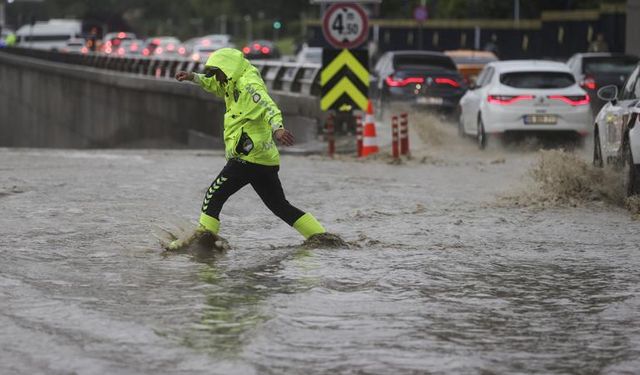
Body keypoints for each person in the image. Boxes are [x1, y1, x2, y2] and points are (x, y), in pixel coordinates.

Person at [174, 48, 326, 249]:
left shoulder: (248, 84)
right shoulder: (231, 81)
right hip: (263, 159)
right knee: (280, 206)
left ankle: (203, 240)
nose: (216, 78)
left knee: (214, 194)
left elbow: (268, 106)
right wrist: (194, 77)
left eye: (217, 72)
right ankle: (322, 237)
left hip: (247, 155)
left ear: (227, 69)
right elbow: (216, 86)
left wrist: (278, 128)